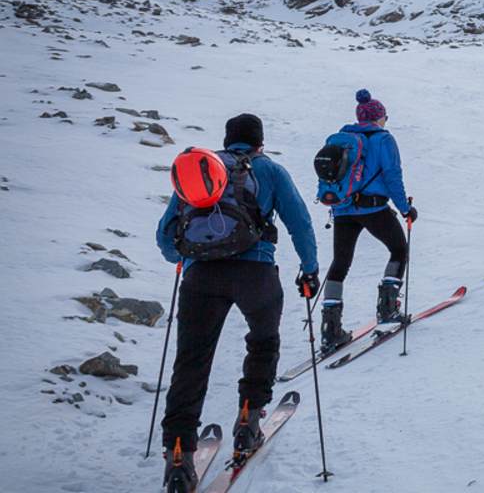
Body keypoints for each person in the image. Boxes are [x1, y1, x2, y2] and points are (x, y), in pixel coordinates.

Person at [155, 114, 319, 489]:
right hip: (255, 274)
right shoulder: (271, 171)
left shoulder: (202, 171)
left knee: (192, 361)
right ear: (259, 141)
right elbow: (300, 222)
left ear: (228, 141)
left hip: (201, 278)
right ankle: (249, 418)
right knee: (263, 341)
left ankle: (179, 454)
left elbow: (167, 233)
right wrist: (309, 269)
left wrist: (185, 258)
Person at [320, 89, 416, 351]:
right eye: (385, 116)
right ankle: (387, 311)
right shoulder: (383, 139)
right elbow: (393, 177)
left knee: (340, 263)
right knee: (398, 250)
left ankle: (330, 329)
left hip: (342, 209)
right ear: (378, 117)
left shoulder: (341, 139)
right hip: (373, 208)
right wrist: (406, 208)